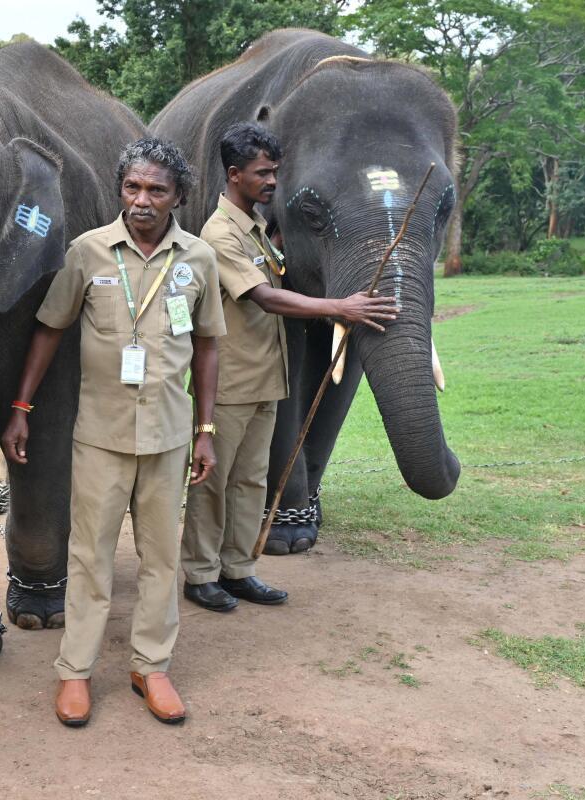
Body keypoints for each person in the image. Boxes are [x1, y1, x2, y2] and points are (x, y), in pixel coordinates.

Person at [3, 137, 226, 728]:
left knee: (159, 559)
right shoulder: (88, 252)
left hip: (170, 436)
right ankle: (75, 673)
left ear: (179, 195)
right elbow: (50, 329)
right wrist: (21, 406)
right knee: (91, 557)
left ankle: (151, 667)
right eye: (133, 187)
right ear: (119, 190)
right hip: (99, 434)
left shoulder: (198, 259)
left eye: (157, 189)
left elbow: (207, 345)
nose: (143, 200)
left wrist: (205, 428)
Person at [180, 122, 397, 612]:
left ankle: (238, 569)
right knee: (214, 483)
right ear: (234, 175)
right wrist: (341, 307)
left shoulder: (257, 228)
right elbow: (264, 296)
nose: (273, 181)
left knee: (252, 481)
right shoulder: (219, 234)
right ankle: (199, 574)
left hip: (266, 377)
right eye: (263, 172)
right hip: (230, 381)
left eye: (276, 171)